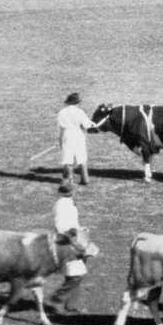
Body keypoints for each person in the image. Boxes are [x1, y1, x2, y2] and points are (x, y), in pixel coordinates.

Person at [49, 183, 88, 313]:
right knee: (77, 274)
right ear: (71, 191)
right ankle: (58, 296)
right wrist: (72, 231)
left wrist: (80, 228)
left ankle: (71, 304)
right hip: (66, 241)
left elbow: (70, 222)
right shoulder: (61, 205)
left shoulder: (67, 203)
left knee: (73, 273)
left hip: (72, 238)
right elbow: (60, 225)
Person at [57, 92, 98, 187]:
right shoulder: (79, 112)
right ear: (77, 103)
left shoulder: (62, 112)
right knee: (81, 157)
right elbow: (87, 125)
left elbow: (59, 127)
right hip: (78, 135)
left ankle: (69, 180)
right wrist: (92, 124)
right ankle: (85, 179)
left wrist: (59, 139)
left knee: (68, 158)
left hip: (67, 135)